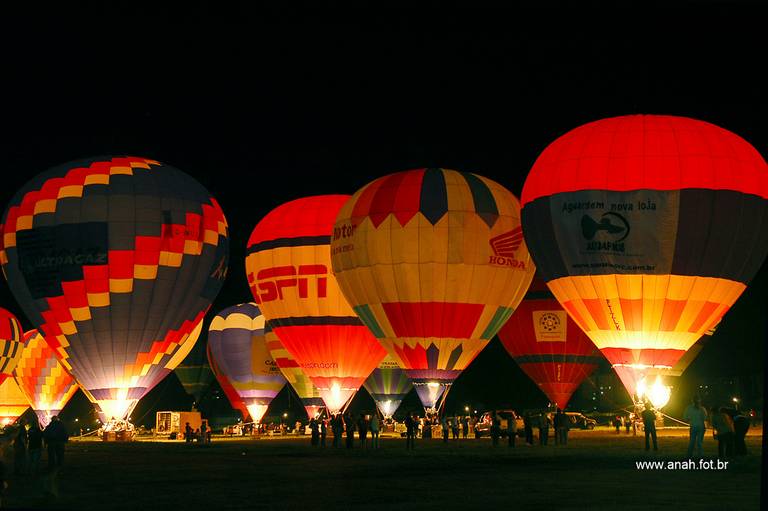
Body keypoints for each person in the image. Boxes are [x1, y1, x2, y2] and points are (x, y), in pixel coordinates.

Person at [683, 395, 707, 459]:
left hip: (694, 426)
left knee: (692, 442)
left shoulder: (689, 408)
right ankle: (700, 456)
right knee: (698, 442)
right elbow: (705, 418)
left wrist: (690, 419)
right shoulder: (702, 409)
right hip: (700, 427)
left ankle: (689, 455)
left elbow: (685, 417)